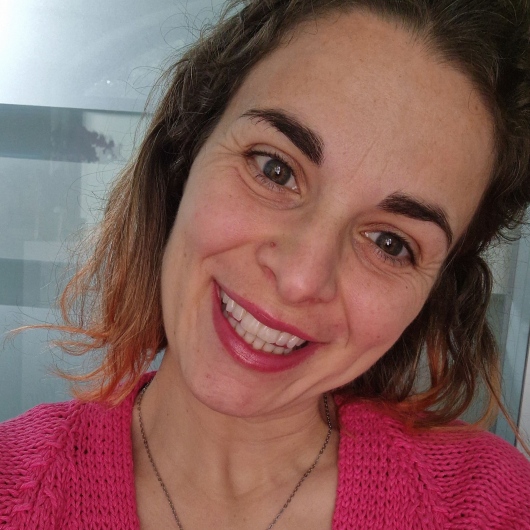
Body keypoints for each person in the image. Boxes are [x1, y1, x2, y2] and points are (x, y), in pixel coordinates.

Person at [2, 0, 530, 528]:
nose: (300, 279)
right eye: (275, 169)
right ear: (186, 152)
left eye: (391, 243)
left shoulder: (495, 509)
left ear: (435, 293)